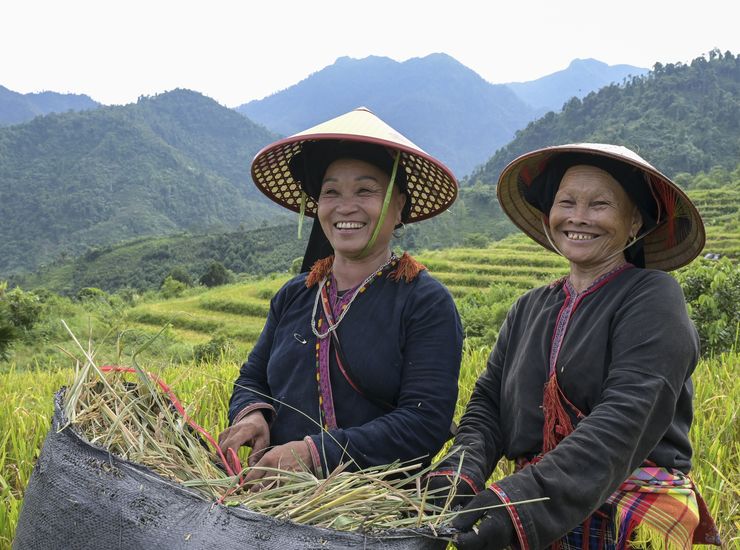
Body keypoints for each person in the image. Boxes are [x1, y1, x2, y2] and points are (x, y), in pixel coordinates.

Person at [427, 144, 721, 549]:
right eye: (566, 202)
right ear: (550, 215)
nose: (578, 217)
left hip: (627, 522)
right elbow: (488, 406)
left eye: (599, 204)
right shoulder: (528, 308)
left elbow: (626, 416)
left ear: (634, 221)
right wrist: (459, 473)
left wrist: (519, 504)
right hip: (538, 510)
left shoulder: (653, 297)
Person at [219, 107, 464, 484]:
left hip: (371, 509)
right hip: (269, 497)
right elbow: (253, 377)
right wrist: (253, 415)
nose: (345, 206)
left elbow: (424, 424)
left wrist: (315, 454)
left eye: (365, 190)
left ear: (399, 205)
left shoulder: (423, 302)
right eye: (331, 192)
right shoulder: (294, 295)